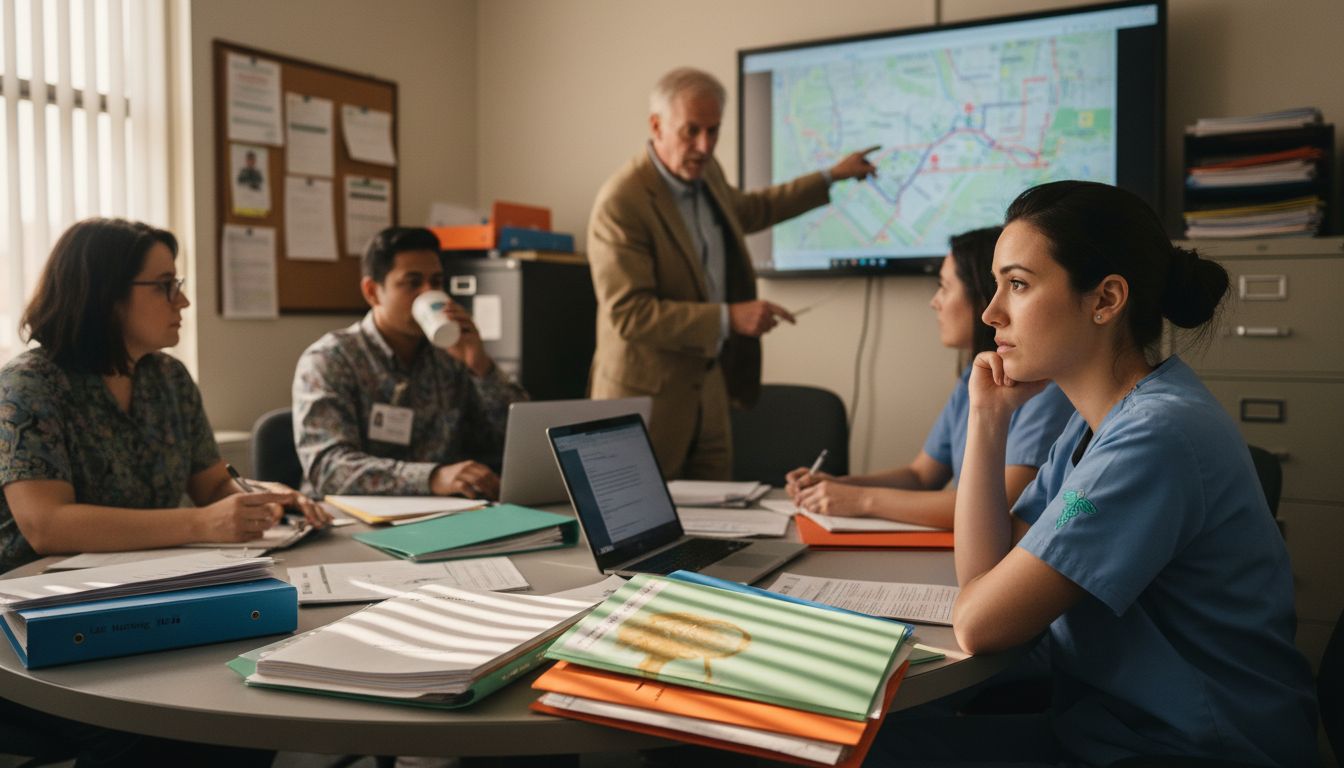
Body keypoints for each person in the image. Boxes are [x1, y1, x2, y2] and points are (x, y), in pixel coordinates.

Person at [879, 181, 1320, 766]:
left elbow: (980, 621)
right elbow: (985, 574)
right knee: (871, 743)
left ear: (1105, 300)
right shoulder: (1095, 426)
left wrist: (978, 601)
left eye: (1017, 284)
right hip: (1107, 732)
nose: (991, 313)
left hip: (1193, 750)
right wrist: (988, 417)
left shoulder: (1153, 436)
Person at [0, 217, 318, 766]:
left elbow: (211, 483)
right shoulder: (30, 385)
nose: (184, 300)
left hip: (142, 599)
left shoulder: (168, 379)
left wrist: (268, 496)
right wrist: (201, 523)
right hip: (33, 623)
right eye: (166, 285)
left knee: (246, 708)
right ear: (105, 295)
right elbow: (46, 526)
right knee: (160, 734)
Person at [587, 66, 879, 480]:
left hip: (708, 392)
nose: (704, 146)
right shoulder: (622, 201)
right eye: (691, 131)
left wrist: (830, 175)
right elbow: (629, 314)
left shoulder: (707, 173)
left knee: (717, 527)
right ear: (656, 125)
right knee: (642, 533)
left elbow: (753, 210)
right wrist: (730, 318)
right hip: (645, 402)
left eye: (714, 131)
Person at [784, 227, 1073, 528]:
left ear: (979, 296)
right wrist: (841, 486)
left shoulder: (1041, 387)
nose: (934, 302)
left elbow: (1002, 505)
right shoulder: (973, 380)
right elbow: (921, 475)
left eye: (945, 287)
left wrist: (861, 500)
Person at [294, 226, 527, 498]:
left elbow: (516, 443)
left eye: (437, 282)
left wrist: (481, 367)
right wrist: (432, 478)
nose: (428, 293)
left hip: (444, 516)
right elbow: (329, 469)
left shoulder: (450, 355)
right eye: (412, 283)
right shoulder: (331, 360)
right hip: (349, 520)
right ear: (372, 291)